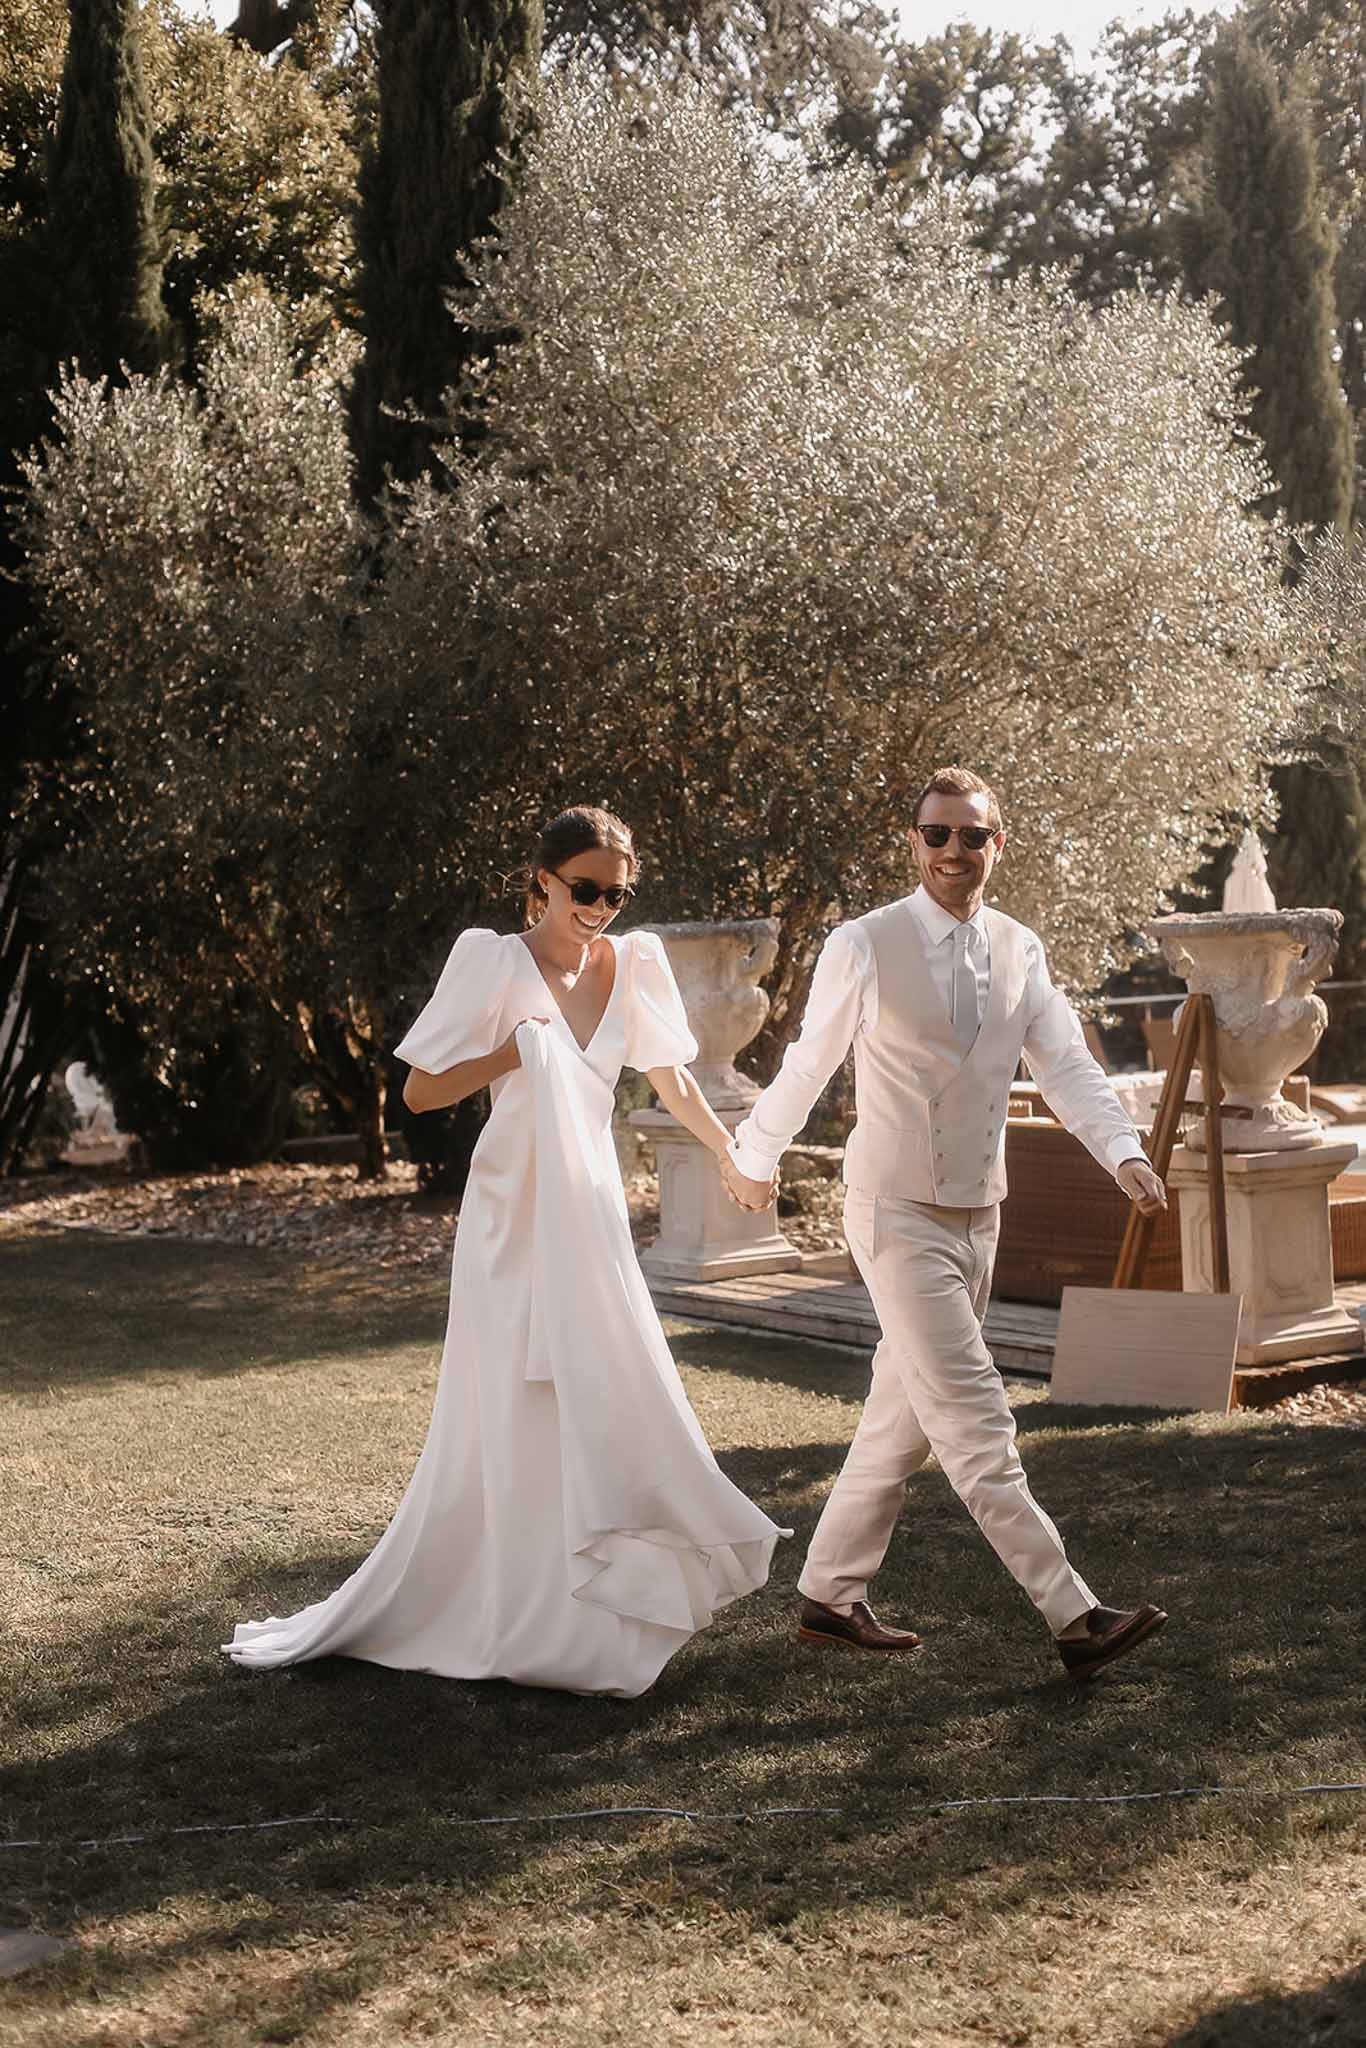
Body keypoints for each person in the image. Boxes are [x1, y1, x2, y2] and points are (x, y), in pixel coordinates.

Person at [225, 805, 787, 1699]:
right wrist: (514, 1054)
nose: (600, 906)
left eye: (616, 892)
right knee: (516, 1402)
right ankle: (513, 1602)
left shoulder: (633, 962)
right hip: (511, 1211)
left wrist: (730, 1152)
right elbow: (416, 1091)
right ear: (542, 882)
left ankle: (592, 1616)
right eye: (585, 889)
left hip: (590, 1207)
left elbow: (671, 1075)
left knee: (606, 1383)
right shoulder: (490, 959)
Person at [721, 767, 1169, 1683]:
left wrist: (1122, 1151)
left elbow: (1068, 1067)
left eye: (971, 836)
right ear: (914, 843)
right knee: (975, 1415)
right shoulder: (863, 943)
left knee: (902, 1417)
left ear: (997, 845)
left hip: (981, 1213)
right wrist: (754, 1156)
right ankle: (1074, 1616)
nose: (953, 853)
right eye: (936, 836)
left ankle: (828, 1598)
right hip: (891, 1212)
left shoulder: (1020, 948)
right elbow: (808, 1063)